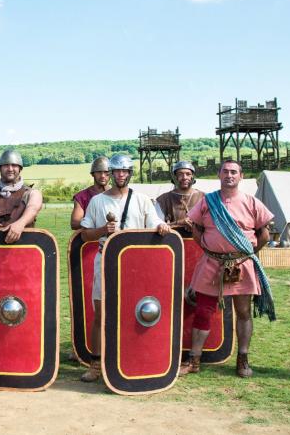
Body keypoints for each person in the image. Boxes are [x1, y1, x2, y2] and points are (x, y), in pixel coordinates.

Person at [79, 153, 170, 382]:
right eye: (116, 171)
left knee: (134, 312)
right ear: (111, 173)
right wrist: (102, 230)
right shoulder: (97, 201)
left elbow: (155, 222)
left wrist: (161, 227)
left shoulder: (142, 199)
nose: (120, 175)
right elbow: (84, 234)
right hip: (105, 261)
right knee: (101, 313)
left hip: (135, 266)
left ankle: (132, 359)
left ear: (130, 173)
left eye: (125, 171)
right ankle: (95, 364)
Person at [182, 160, 275, 378]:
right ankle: (194, 360)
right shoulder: (208, 201)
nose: (229, 175)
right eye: (225, 171)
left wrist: (245, 255)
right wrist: (209, 248)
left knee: (243, 312)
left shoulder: (252, 202)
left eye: (234, 172)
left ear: (241, 176)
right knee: (203, 311)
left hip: (242, 265)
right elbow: (196, 229)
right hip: (212, 263)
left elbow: (264, 235)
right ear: (219, 175)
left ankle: (242, 359)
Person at [155, 160, 204, 238]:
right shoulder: (163, 200)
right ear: (175, 177)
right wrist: (178, 223)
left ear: (192, 177)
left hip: (201, 244)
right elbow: (157, 225)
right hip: (172, 244)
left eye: (188, 174)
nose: (184, 177)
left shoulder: (204, 198)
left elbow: (211, 224)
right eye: (180, 174)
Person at [70, 156, 111, 230]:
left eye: (106, 172)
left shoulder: (116, 194)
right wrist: (100, 224)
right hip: (89, 239)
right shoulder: (82, 197)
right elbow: (75, 223)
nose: (102, 176)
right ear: (93, 174)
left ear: (111, 174)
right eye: (99, 172)